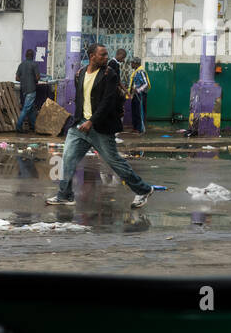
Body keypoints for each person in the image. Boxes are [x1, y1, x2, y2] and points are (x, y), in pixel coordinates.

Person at [47, 43, 154, 209]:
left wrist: (92, 121)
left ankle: (143, 190)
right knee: (67, 159)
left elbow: (107, 101)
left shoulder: (109, 74)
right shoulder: (81, 73)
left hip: (100, 127)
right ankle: (65, 195)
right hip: (80, 125)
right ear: (92, 57)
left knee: (114, 162)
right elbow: (82, 97)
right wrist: (82, 119)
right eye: (102, 55)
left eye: (106, 55)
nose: (106, 58)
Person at [15, 48, 40, 132]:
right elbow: (37, 77)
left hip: (24, 89)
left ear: (25, 56)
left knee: (31, 109)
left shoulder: (21, 65)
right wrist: (34, 80)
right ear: (33, 56)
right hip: (31, 89)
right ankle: (18, 126)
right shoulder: (34, 65)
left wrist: (24, 79)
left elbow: (17, 78)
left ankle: (33, 126)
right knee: (26, 109)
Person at [129, 55, 150, 133]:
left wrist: (138, 90)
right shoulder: (136, 71)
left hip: (140, 95)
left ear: (135, 63)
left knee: (139, 111)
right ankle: (135, 127)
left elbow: (146, 84)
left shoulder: (141, 71)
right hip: (135, 95)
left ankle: (139, 128)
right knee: (135, 111)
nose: (131, 64)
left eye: (132, 63)